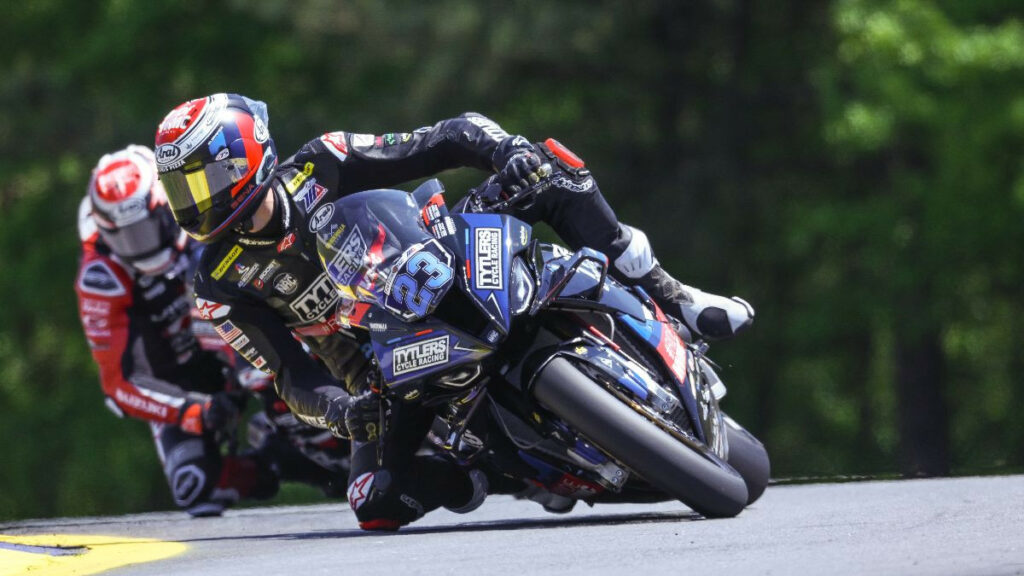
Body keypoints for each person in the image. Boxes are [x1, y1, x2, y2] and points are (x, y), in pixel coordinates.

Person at [152, 93, 754, 529]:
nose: (193, 201)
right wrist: (346, 413)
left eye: (201, 180)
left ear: (244, 158)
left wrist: (504, 153)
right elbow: (291, 376)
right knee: (373, 502)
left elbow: (444, 137)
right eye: (182, 189)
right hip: (380, 364)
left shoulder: (324, 160)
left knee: (551, 168)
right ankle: (490, 474)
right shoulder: (217, 281)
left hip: (438, 255)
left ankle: (679, 298)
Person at [74, 145, 347, 517]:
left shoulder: (200, 216)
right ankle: (283, 462)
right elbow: (119, 383)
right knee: (195, 486)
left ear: (165, 206)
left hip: (238, 337)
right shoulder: (100, 277)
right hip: (185, 381)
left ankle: (329, 426)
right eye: (127, 238)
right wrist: (192, 410)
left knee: (269, 374)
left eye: (149, 227)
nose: (142, 245)